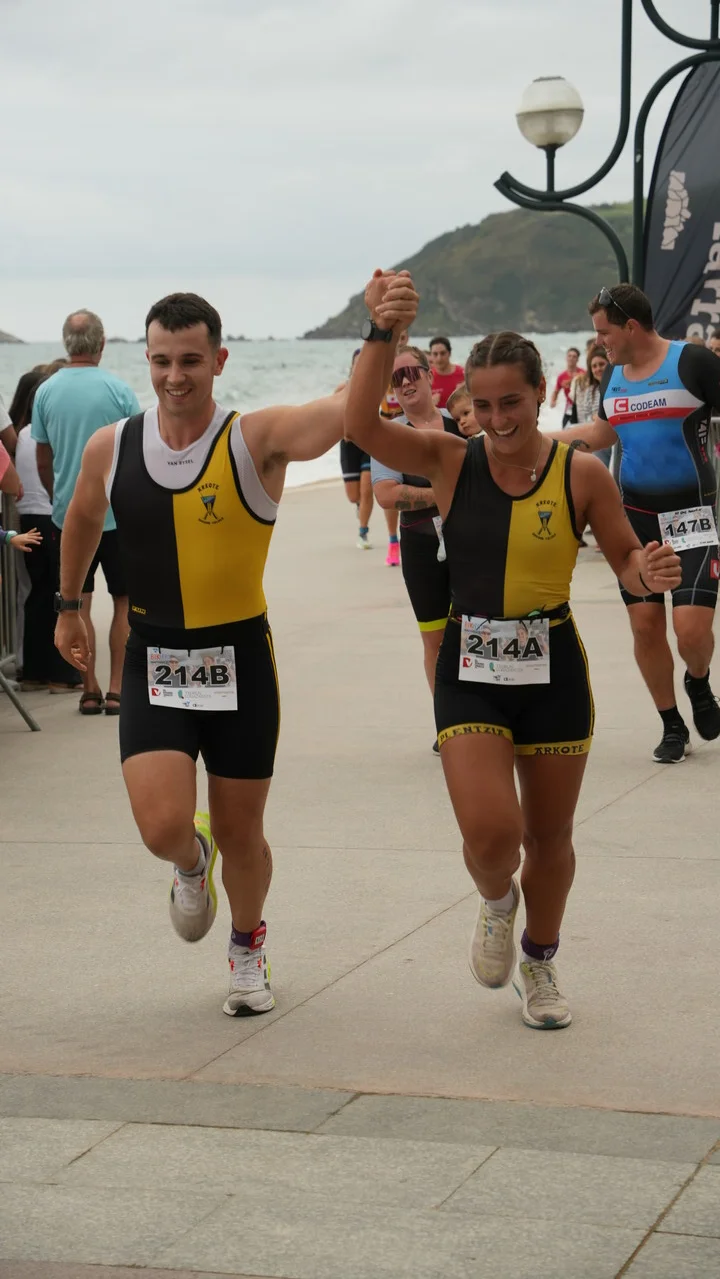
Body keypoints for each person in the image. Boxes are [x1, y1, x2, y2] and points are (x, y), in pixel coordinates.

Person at [55, 284, 416, 1018]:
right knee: (162, 826)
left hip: (239, 660)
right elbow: (84, 517)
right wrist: (69, 606)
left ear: (219, 361)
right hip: (154, 658)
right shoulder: (112, 447)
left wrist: (380, 332)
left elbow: (348, 414)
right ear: (144, 359)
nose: (175, 376)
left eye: (190, 360)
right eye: (161, 360)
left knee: (243, 830)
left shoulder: (256, 439)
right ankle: (192, 864)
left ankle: (248, 945)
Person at [347, 288, 681, 1030]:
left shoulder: (580, 473)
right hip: (470, 667)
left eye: (513, 404)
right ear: (466, 402)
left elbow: (626, 560)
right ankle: (498, 902)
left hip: (553, 669)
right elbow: (359, 424)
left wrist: (648, 572)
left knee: (550, 838)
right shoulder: (447, 460)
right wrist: (380, 331)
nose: (498, 420)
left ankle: (539, 958)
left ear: (539, 396)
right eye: (485, 405)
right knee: (492, 837)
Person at [557, 284, 720, 764]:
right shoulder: (614, 375)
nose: (599, 342)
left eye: (603, 332)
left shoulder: (693, 363)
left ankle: (698, 681)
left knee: (690, 631)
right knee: (646, 627)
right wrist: (539, 441)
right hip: (635, 520)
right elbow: (600, 433)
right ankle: (671, 724)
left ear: (630, 326)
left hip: (692, 515)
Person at [32, 310, 141, 715]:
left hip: (69, 515)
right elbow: (136, 453)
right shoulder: (119, 389)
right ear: (101, 343)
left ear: (66, 342)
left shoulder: (45, 391)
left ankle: (89, 688)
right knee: (124, 601)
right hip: (117, 514)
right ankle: (116, 689)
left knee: (78, 603)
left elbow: (43, 457)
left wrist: (56, 496)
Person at [371, 344, 461, 752]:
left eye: (411, 373)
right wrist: (442, 495)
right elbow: (387, 495)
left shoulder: (460, 423)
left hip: (471, 544)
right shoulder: (390, 435)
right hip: (421, 550)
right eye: (396, 378)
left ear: (429, 376)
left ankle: (488, 717)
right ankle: (449, 723)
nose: (405, 383)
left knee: (478, 631)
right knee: (436, 641)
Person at [10, 367, 81, 692]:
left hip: (27, 519)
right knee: (60, 594)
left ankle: (33, 672)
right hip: (50, 517)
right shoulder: (50, 432)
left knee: (37, 594)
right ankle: (62, 675)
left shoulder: (23, 434)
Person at [337, 350, 374, 549]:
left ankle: (363, 532)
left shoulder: (377, 387)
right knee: (354, 496)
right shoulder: (342, 389)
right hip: (349, 444)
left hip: (369, 442)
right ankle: (360, 505)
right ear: (352, 366)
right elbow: (332, 415)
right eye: (357, 363)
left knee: (367, 490)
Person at [572, 346, 611, 467]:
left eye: (601, 364)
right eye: (594, 366)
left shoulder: (616, 388)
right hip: (595, 438)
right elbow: (584, 417)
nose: (598, 369)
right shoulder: (589, 391)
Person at [549, 347, 584, 427]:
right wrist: (553, 401)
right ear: (566, 358)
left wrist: (573, 380)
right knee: (564, 428)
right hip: (569, 409)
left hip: (582, 408)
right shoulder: (561, 376)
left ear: (577, 359)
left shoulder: (583, 373)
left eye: (574, 356)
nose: (571, 358)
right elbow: (556, 392)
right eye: (569, 356)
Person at [429, 336, 466, 409]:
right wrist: (430, 404)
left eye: (442, 353)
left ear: (449, 353)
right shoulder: (427, 377)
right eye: (435, 354)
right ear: (431, 355)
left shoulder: (463, 374)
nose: (439, 358)